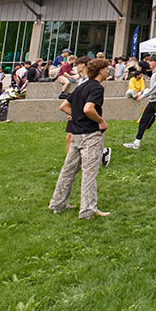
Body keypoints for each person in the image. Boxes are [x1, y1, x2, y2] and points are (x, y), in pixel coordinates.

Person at [49, 57, 110, 218]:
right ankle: (88, 210)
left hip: (76, 134)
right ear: (100, 70)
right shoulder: (96, 88)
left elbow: (64, 106)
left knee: (68, 170)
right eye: (106, 68)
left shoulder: (81, 87)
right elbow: (89, 108)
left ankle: (57, 203)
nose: (108, 71)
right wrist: (101, 121)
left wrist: (77, 116)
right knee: (89, 173)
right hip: (91, 135)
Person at [123, 56, 156, 150]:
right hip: (152, 100)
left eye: (152, 61)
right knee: (143, 120)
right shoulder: (154, 73)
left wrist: (144, 96)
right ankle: (137, 142)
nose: (149, 62)